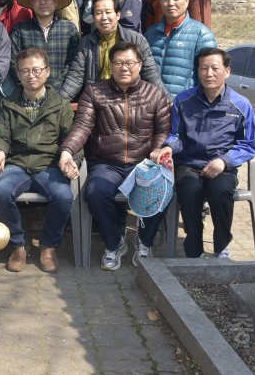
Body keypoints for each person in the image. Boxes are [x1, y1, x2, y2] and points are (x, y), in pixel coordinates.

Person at [59, 42, 173, 269]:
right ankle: (114, 243)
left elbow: (163, 130)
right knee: (95, 192)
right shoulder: (94, 91)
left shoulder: (155, 93)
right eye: (118, 63)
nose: (124, 68)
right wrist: (67, 151)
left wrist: (159, 149)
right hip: (106, 163)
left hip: (143, 162)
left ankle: (144, 241)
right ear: (111, 65)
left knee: (161, 187)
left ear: (140, 64)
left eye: (130, 62)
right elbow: (82, 126)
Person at [150, 48, 255, 259]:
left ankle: (221, 246)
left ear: (227, 71)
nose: (209, 73)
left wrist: (224, 161)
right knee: (189, 190)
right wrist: (168, 147)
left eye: (215, 68)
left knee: (221, 191)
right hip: (188, 164)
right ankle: (193, 249)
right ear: (197, 71)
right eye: (204, 68)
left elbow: (248, 145)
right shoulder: (183, 101)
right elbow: (176, 135)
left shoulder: (241, 105)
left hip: (222, 166)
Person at [0, 48, 76, 273]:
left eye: (36, 70)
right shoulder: (9, 103)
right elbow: (2, 135)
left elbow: (72, 139)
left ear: (47, 72)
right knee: (0, 191)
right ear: (18, 74)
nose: (31, 75)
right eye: (25, 71)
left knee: (64, 196)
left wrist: (70, 158)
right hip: (18, 164)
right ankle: (18, 243)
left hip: (49, 165)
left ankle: (48, 245)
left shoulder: (61, 104)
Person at [60, 0, 164, 101]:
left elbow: (151, 75)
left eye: (108, 12)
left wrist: (168, 102)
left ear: (118, 15)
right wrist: (58, 105)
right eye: (99, 13)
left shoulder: (136, 40)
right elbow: (75, 78)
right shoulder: (85, 43)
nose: (104, 17)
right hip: (97, 101)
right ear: (93, 17)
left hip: (129, 101)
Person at [145, 0, 217, 97]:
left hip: (184, 105)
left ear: (187, 1)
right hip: (153, 104)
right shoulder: (151, 33)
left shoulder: (201, 34)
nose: (170, 3)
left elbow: (208, 75)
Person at [10, 0, 80, 91]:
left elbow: (74, 65)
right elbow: (14, 64)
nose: (43, 2)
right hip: (29, 95)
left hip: (62, 98)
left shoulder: (69, 29)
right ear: (32, 2)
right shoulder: (20, 30)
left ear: (56, 1)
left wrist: (61, 96)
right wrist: (31, 90)